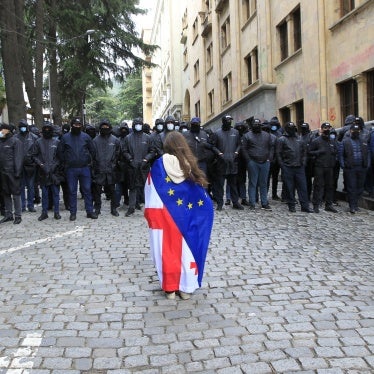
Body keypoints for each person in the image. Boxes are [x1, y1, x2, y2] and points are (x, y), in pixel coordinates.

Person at [144, 131, 214, 300]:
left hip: (163, 216)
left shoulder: (158, 165)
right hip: (185, 219)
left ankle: (170, 289)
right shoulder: (188, 165)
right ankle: (185, 288)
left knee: (165, 251)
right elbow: (198, 195)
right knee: (185, 252)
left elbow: (150, 189)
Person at [57, 117, 97, 221]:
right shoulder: (65, 138)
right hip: (71, 169)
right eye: (75, 125)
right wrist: (65, 162)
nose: (77, 126)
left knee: (87, 190)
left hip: (84, 168)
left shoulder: (86, 137)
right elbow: (60, 152)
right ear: (72, 125)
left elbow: (92, 150)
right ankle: (73, 213)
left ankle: (89, 211)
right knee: (72, 191)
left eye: (79, 125)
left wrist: (89, 161)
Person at [276, 121, 313, 213]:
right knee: (289, 188)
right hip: (288, 167)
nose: (292, 130)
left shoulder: (299, 139)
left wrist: (303, 162)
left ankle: (305, 206)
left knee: (303, 187)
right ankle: (291, 205)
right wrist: (282, 165)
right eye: (290, 128)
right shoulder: (282, 139)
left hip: (299, 167)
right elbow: (278, 153)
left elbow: (304, 152)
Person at [29, 122, 63, 221]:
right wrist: (41, 164)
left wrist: (54, 165)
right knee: (44, 194)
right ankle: (44, 212)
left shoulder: (56, 142)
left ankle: (56, 212)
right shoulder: (38, 142)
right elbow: (34, 155)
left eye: (49, 129)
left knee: (56, 193)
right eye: (45, 129)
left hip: (54, 172)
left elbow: (60, 157)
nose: (47, 131)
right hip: (43, 172)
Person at [210, 115, 244, 211]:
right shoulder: (217, 133)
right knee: (220, 185)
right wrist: (219, 153)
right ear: (223, 121)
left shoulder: (236, 132)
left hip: (232, 162)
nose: (229, 122)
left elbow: (239, 144)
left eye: (230, 120)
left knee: (233, 184)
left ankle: (235, 202)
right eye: (227, 120)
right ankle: (220, 203)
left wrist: (237, 152)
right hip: (221, 163)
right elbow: (213, 146)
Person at [122, 117, 154, 217]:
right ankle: (131, 208)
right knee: (132, 187)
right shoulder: (128, 138)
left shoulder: (148, 137)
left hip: (144, 167)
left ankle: (149, 209)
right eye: (136, 124)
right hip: (132, 166)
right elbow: (124, 151)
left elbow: (152, 151)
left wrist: (146, 159)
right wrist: (130, 160)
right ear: (133, 125)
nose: (138, 125)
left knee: (146, 188)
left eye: (140, 123)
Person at [338, 122, 371, 214]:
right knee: (351, 187)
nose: (356, 132)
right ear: (350, 131)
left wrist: (367, 164)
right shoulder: (345, 141)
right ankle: (352, 206)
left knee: (360, 187)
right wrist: (343, 165)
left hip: (362, 167)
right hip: (350, 168)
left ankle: (356, 204)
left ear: (359, 131)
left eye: (357, 130)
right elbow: (341, 155)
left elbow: (367, 153)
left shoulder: (363, 141)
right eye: (354, 130)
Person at [241, 118, 273, 210]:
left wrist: (269, 158)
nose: (257, 126)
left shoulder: (267, 135)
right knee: (252, 183)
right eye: (255, 125)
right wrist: (248, 161)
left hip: (265, 162)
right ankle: (252, 202)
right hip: (253, 162)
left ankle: (264, 202)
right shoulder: (247, 136)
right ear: (252, 126)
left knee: (263, 183)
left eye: (259, 125)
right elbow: (244, 149)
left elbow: (271, 147)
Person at [92, 119, 121, 216]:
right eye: (103, 127)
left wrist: (114, 164)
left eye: (106, 127)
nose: (105, 128)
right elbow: (92, 155)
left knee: (113, 191)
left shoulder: (115, 140)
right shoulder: (95, 140)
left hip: (111, 170)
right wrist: (95, 167)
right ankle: (97, 209)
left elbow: (118, 154)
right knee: (97, 192)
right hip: (99, 170)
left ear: (110, 127)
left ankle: (113, 209)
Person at [308, 122, 338, 213]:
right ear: (321, 129)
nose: (327, 129)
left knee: (330, 186)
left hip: (330, 167)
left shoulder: (332, 141)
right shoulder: (316, 141)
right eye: (325, 128)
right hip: (319, 167)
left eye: (328, 128)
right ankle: (316, 205)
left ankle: (328, 205)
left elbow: (336, 151)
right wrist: (318, 152)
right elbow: (309, 152)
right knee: (318, 186)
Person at [0, 123, 24, 224]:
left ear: (7, 130)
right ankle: (8, 214)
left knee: (16, 194)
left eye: (2, 130)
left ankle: (18, 215)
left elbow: (18, 157)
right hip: (2, 172)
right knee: (5, 193)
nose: (0, 131)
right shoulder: (1, 141)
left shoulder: (15, 141)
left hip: (13, 172)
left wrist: (17, 172)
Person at [15, 119, 38, 213]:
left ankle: (30, 205)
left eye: (24, 127)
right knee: (20, 187)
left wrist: (34, 161)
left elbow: (36, 151)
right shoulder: (15, 137)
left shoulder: (33, 137)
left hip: (30, 165)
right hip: (19, 165)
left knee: (31, 186)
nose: (22, 129)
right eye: (21, 127)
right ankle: (22, 206)